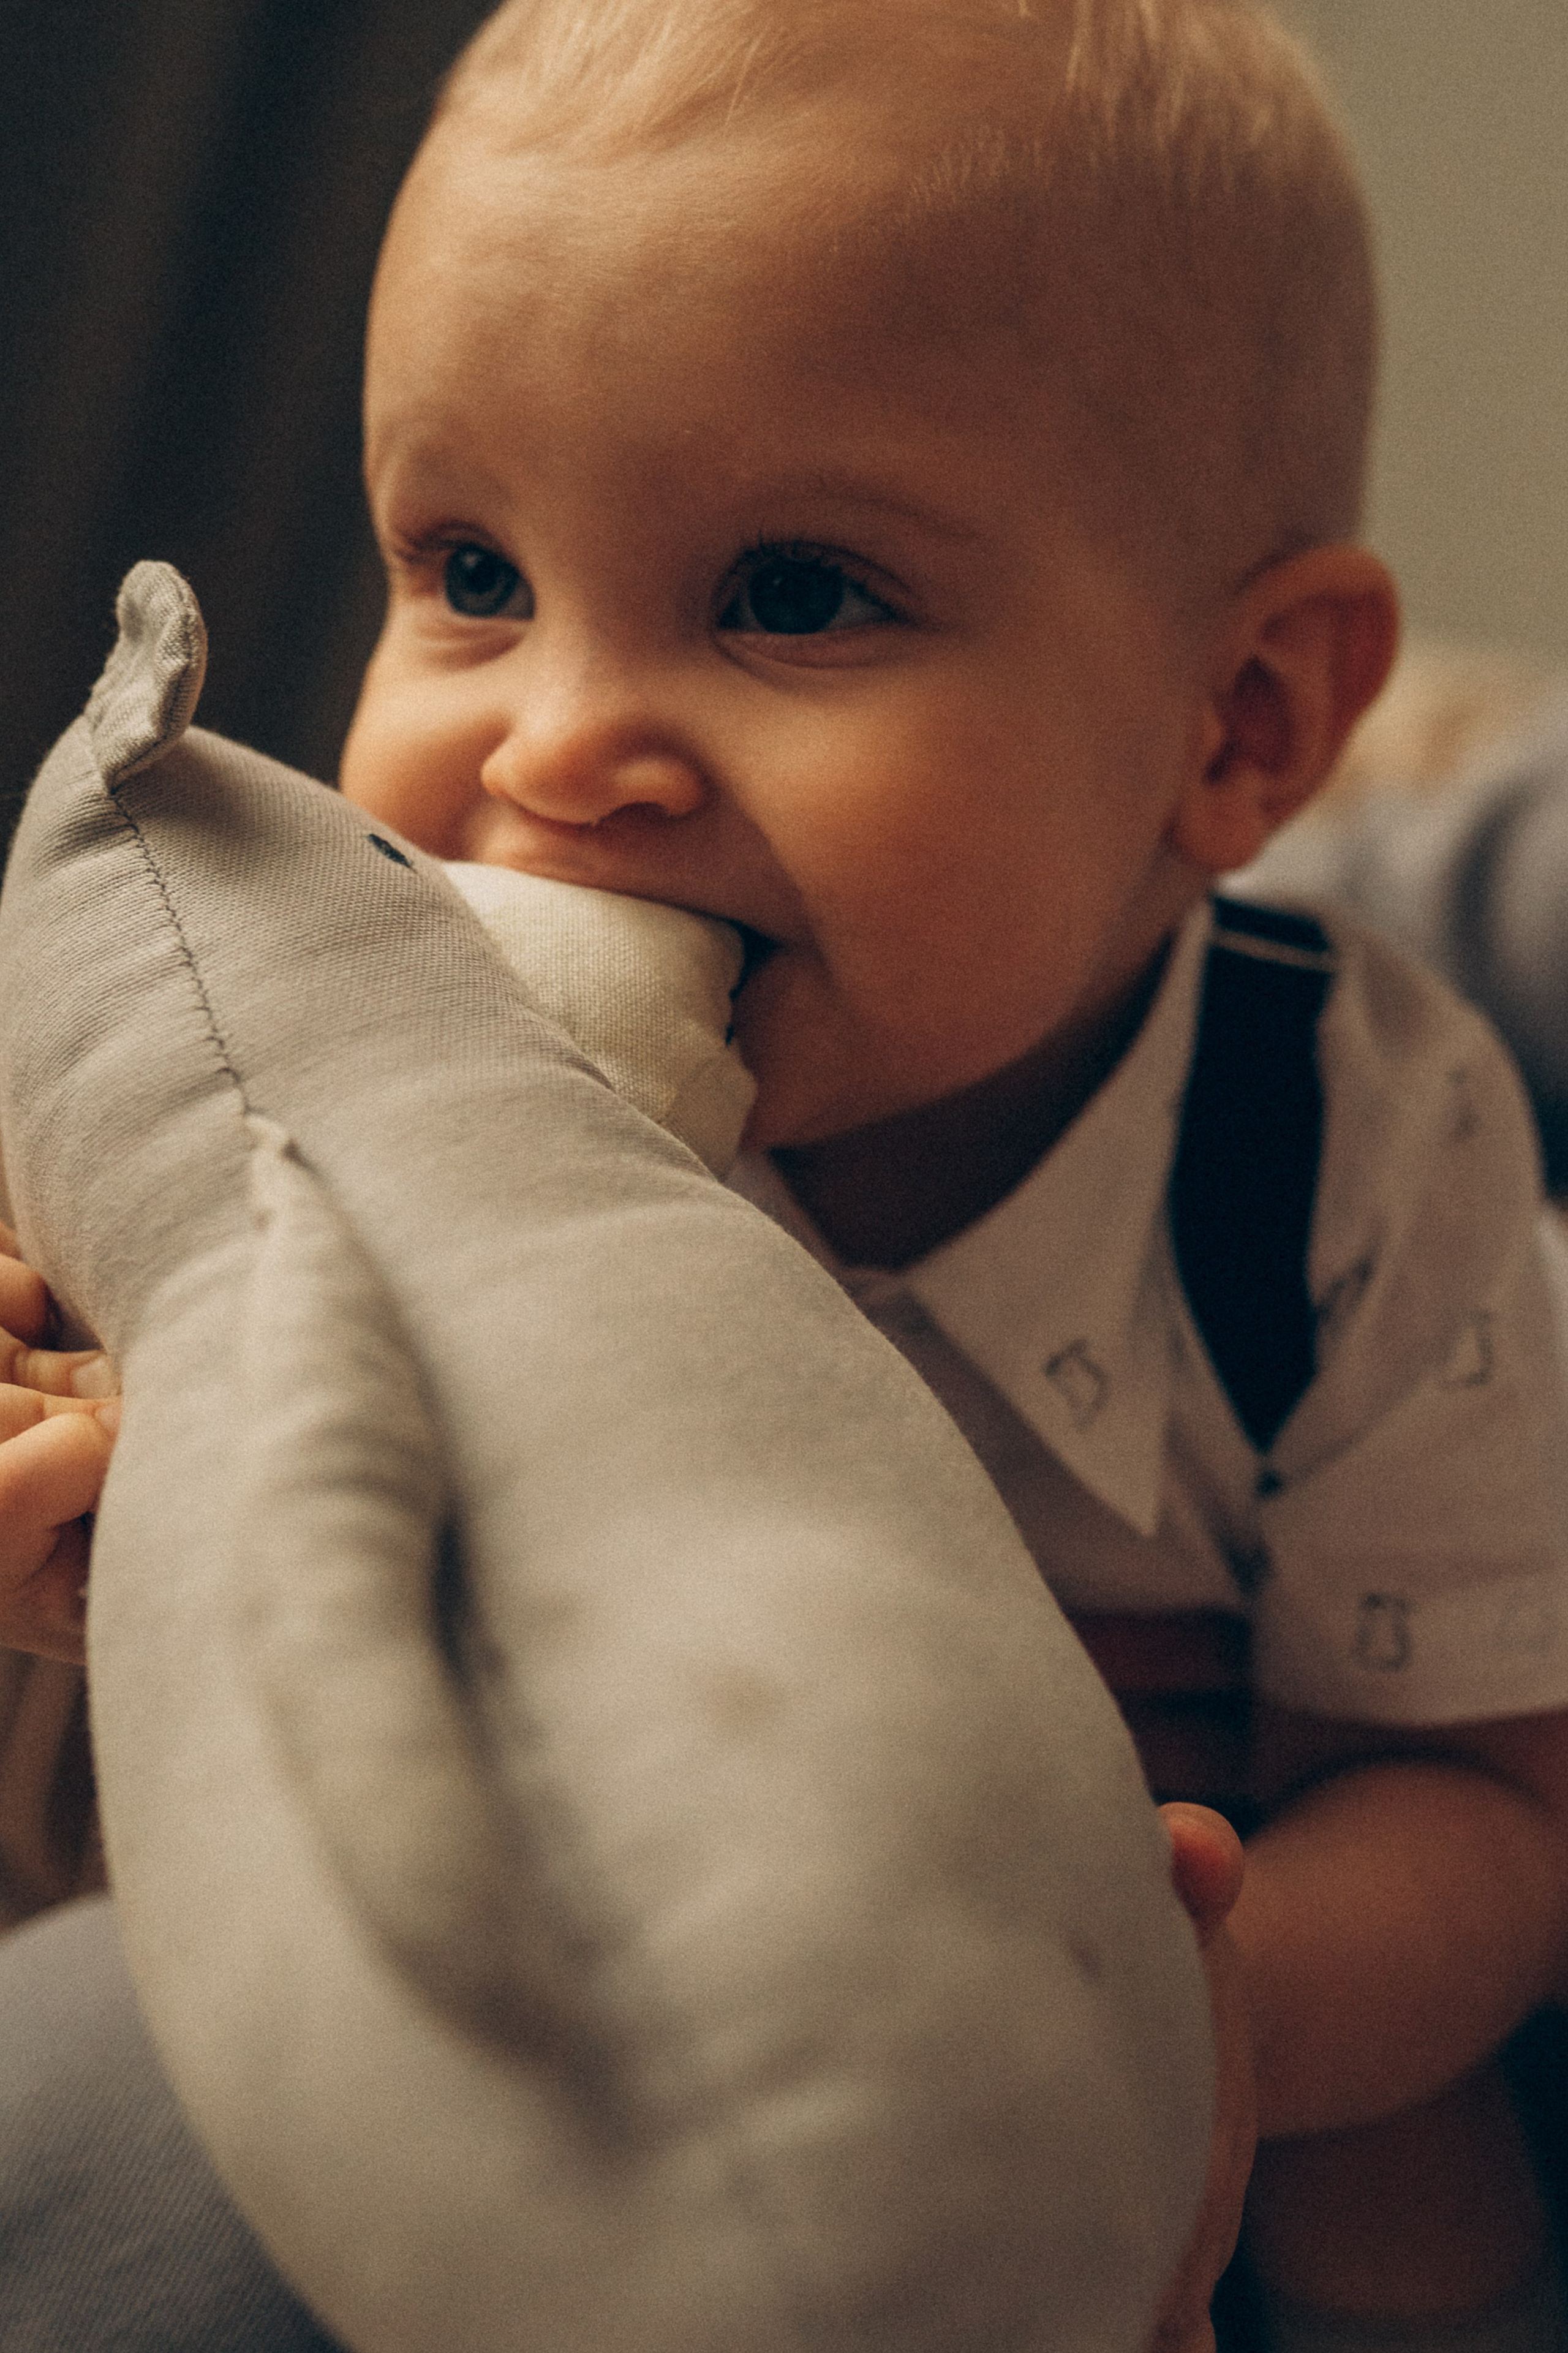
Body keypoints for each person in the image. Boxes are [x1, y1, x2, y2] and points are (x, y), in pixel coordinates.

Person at [2, 0, 1567, 2346]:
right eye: (472, 568)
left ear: (1238, 719)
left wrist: (1214, 2008)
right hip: (640, 1887)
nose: (557, 751)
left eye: (797, 593)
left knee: (1411, 2199)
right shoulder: (367, 1069)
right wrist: (111, 1551)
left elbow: (1485, 1812)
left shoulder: (1346, 1150)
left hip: (1195, 1891)